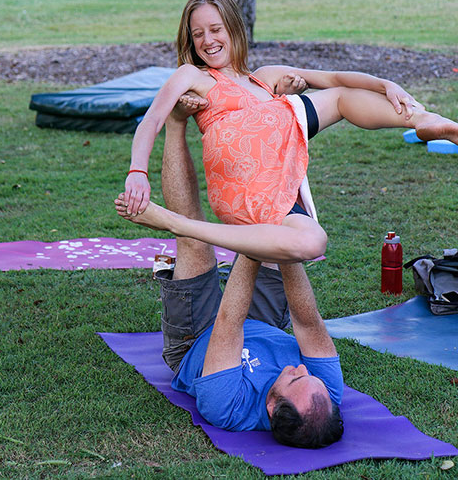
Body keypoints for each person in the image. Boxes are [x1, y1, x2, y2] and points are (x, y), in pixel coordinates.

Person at [122, 0, 458, 265]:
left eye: (215, 29)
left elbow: (330, 76)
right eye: (198, 33)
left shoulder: (265, 77)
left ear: (234, 29)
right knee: (331, 99)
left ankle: (429, 121)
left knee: (313, 242)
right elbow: (152, 119)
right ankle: (176, 223)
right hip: (240, 182)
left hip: (275, 180)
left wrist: (385, 84)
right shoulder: (193, 75)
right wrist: (138, 172)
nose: (208, 40)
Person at [135, 102, 343, 448]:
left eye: (295, 379)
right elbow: (306, 323)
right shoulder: (325, 393)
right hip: (263, 325)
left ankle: (175, 123)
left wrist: (254, 237)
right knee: (283, 234)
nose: (303, 369)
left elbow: (228, 324)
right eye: (309, 376)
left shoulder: (227, 408)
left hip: (199, 339)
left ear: (273, 406)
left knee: (193, 244)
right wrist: (282, 241)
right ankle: (265, 106)